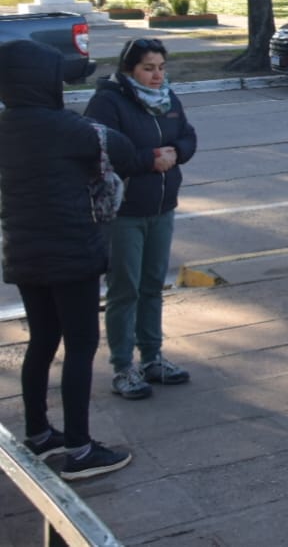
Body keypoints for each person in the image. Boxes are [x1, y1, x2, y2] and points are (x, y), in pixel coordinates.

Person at [0, 40, 139, 480]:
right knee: (80, 346)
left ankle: (39, 434)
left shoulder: (6, 126)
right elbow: (124, 151)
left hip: (26, 252)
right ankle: (79, 450)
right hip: (71, 253)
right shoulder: (68, 129)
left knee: (42, 340)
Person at [84, 38, 199, 400]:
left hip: (162, 207)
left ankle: (153, 357)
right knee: (125, 289)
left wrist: (177, 152)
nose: (157, 75)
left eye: (161, 67)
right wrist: (148, 160)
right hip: (125, 212)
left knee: (152, 285)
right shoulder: (109, 101)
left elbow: (188, 136)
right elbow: (98, 152)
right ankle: (123, 366)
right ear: (129, 68)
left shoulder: (167, 97)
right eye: (149, 68)